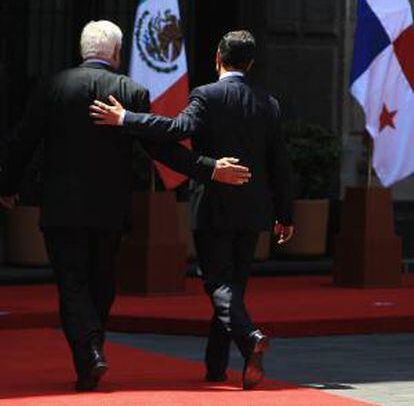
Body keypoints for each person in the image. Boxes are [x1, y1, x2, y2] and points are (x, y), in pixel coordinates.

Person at [0, 21, 251, 392]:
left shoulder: (53, 86)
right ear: (116, 53)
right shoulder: (130, 90)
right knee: (102, 283)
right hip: (110, 208)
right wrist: (210, 169)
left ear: (83, 49)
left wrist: (7, 186)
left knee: (72, 283)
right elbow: (160, 150)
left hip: (62, 207)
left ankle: (89, 353)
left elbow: (24, 140)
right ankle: (92, 349)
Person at [90, 30, 294, 390]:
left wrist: (125, 119)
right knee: (235, 287)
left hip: (213, 204)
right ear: (250, 62)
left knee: (217, 282)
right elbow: (280, 163)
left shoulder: (207, 96)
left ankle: (249, 337)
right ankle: (218, 366)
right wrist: (285, 214)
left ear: (218, 57)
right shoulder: (269, 102)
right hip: (253, 209)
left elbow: (175, 129)